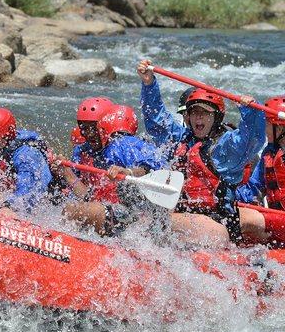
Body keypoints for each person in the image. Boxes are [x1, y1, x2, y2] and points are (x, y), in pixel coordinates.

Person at [137, 59, 266, 244]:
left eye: (205, 112)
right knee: (214, 232)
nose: (198, 116)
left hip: (218, 219)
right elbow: (157, 119)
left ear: (217, 118)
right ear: (187, 116)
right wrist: (149, 83)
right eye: (194, 111)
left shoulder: (225, 147)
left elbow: (251, 139)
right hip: (185, 216)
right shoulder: (179, 138)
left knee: (255, 222)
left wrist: (251, 112)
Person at [55, 104, 167, 236]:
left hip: (132, 214)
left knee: (72, 210)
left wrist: (128, 172)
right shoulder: (85, 152)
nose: (88, 134)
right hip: (108, 210)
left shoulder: (124, 144)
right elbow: (87, 196)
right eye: (84, 128)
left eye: (93, 128)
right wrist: (67, 174)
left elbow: (155, 166)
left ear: (105, 125)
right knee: (70, 207)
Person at [237, 96, 285, 245]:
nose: (264, 128)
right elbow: (253, 188)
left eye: (268, 124)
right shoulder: (269, 153)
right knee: (233, 211)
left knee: (246, 219)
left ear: (280, 128)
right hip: (279, 218)